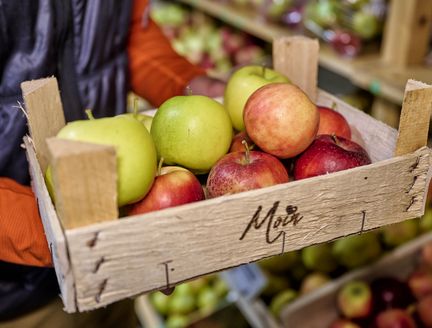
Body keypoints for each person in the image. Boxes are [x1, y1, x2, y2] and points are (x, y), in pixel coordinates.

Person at [0, 0, 225, 326]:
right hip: (19, 293)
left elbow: (125, 30)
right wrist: (45, 230)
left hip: (113, 270)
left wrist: (186, 84)